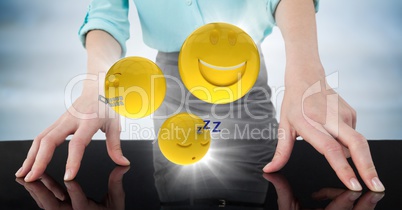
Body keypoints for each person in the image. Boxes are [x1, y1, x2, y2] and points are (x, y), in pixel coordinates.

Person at [15, 0, 385, 192]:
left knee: (261, 175)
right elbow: (107, 12)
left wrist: (306, 66)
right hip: (168, 81)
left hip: (244, 70)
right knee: (178, 181)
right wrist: (100, 82)